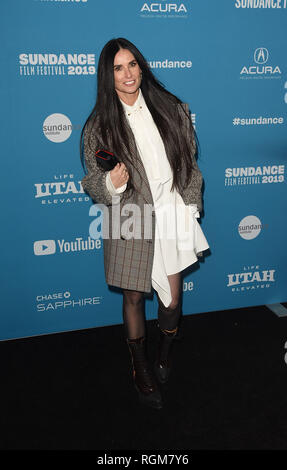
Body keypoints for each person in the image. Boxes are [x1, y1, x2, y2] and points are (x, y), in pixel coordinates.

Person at [80, 38, 209, 410]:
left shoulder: (171, 109)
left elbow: (189, 166)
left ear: (141, 66)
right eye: (118, 68)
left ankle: (166, 350)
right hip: (130, 216)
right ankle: (140, 366)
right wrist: (109, 184)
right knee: (134, 296)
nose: (128, 74)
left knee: (172, 300)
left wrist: (189, 206)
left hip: (169, 213)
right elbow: (91, 179)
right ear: (108, 75)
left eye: (132, 64)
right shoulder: (99, 126)